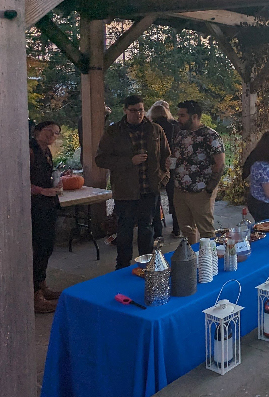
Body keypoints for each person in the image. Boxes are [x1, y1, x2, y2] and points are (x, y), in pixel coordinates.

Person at [96, 95, 170, 269]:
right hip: (125, 190)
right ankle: (122, 266)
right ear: (125, 110)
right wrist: (130, 160)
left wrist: (163, 177)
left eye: (141, 110)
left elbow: (166, 155)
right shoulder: (114, 132)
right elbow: (101, 159)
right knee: (125, 230)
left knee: (147, 229)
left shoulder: (155, 130)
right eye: (134, 110)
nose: (138, 114)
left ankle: (146, 265)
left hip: (149, 189)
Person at [172, 100, 225, 245]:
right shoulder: (181, 135)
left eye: (182, 115)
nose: (179, 119)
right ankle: (192, 258)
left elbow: (220, 164)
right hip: (180, 190)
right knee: (187, 229)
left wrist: (209, 189)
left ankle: (210, 261)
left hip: (200, 190)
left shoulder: (210, 136)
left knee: (206, 231)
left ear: (194, 116)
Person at [30, 122, 63, 314]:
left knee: (47, 247)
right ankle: (35, 295)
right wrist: (43, 191)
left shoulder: (46, 152)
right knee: (38, 249)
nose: (52, 135)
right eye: (48, 131)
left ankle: (42, 285)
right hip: (34, 206)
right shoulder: (30, 151)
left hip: (48, 205)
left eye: (56, 133)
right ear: (37, 132)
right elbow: (20, 180)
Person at [149, 102, 180, 238]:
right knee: (173, 195)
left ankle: (157, 230)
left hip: (156, 166)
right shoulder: (175, 125)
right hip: (173, 163)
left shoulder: (150, 127)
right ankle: (177, 227)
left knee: (155, 198)